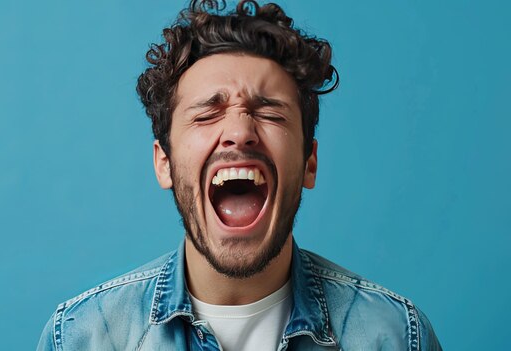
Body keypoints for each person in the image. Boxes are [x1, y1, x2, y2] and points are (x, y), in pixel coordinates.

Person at [37, 1, 442, 350]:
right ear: (164, 162)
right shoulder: (83, 337)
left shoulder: (396, 337)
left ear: (309, 163)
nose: (239, 132)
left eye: (269, 113)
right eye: (208, 114)